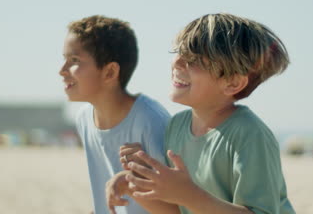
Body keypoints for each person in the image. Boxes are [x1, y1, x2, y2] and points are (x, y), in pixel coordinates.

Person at [112, 13, 296, 214]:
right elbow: (178, 210)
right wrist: (134, 184)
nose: (178, 63)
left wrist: (189, 195)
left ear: (233, 83)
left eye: (194, 59)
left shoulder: (250, 134)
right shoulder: (177, 126)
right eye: (179, 51)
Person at [59, 15, 170, 214]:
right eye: (64, 60)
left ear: (110, 72)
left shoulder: (151, 120)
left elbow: (179, 208)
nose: (62, 70)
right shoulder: (84, 119)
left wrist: (133, 183)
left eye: (74, 60)